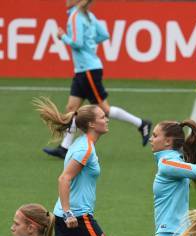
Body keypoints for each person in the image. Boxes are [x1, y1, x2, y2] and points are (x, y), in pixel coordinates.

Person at [35, 97, 153, 236]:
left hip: (65, 216)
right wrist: (69, 213)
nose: (107, 119)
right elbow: (64, 178)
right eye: (102, 117)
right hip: (76, 218)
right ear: (91, 125)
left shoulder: (82, 145)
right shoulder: (85, 149)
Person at [43, 0, 151, 159]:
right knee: (71, 108)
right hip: (84, 69)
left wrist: (63, 37)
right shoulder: (88, 15)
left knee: (104, 110)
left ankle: (141, 124)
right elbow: (104, 35)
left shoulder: (75, 16)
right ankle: (64, 148)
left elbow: (77, 43)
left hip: (88, 69)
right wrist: (90, 44)